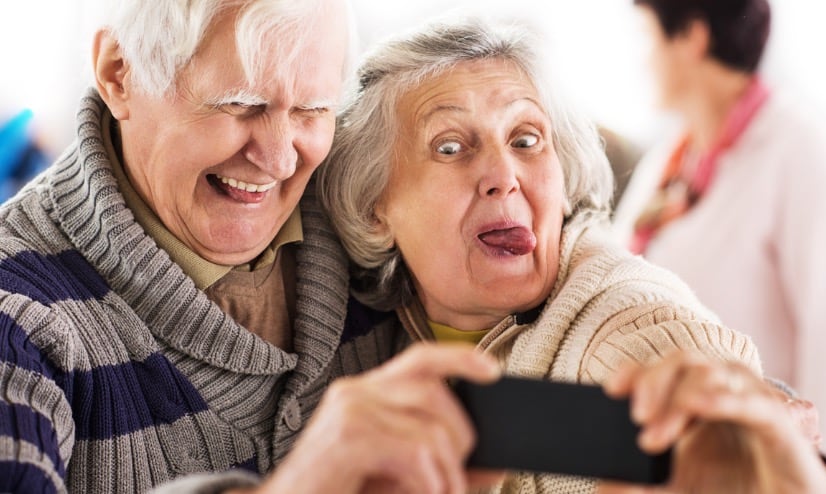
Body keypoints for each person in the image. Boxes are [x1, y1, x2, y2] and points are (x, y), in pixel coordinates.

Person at [319, 16, 826, 493]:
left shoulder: (631, 329)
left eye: (526, 140)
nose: (504, 177)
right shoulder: (363, 330)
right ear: (373, 209)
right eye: (451, 147)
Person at [0, 1, 506, 492]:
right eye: (240, 104)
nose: (281, 159)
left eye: (312, 110)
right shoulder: (16, 309)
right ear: (119, 73)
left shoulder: (364, 204)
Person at [611, 0, 826, 484]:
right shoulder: (670, 160)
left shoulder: (809, 156)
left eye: (645, 38)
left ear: (691, 37)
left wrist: (820, 482)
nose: (639, 60)